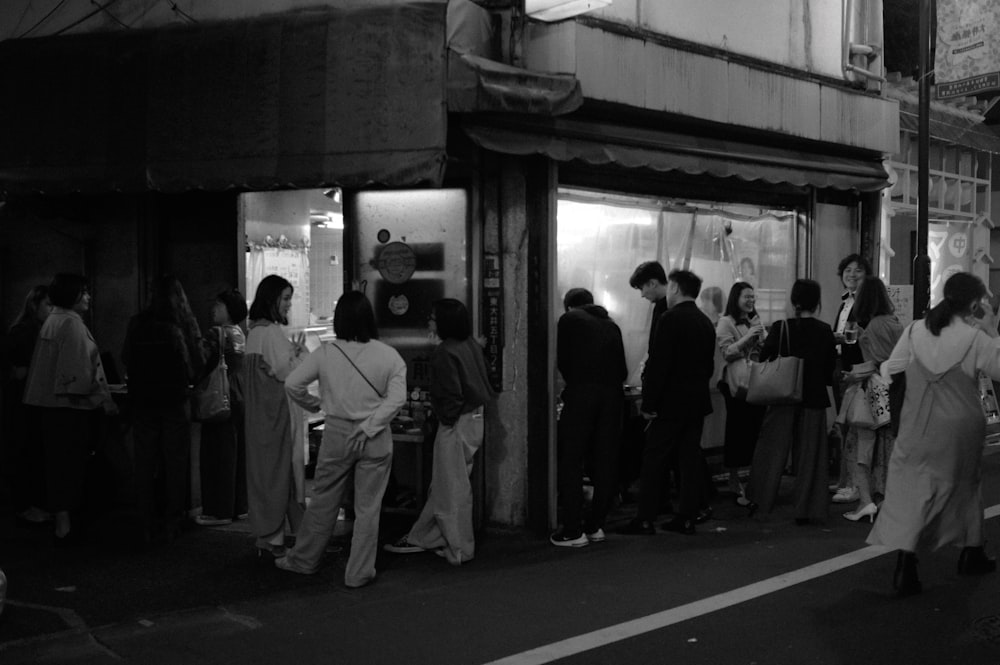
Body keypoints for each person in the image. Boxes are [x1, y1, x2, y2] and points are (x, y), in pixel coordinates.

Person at [867, 272, 1000, 597]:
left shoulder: (915, 330)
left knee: (911, 493)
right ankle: (971, 552)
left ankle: (905, 567)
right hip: (960, 428)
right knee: (967, 487)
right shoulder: (974, 338)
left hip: (916, 425)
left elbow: (892, 368)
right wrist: (993, 331)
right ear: (973, 303)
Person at [277, 291, 406, 587]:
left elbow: (293, 384)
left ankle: (303, 561)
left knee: (323, 499)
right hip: (374, 438)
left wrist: (314, 406)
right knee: (368, 508)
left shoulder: (326, 353)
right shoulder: (389, 356)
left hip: (337, 433)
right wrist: (371, 425)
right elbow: (396, 399)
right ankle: (358, 573)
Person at [384, 298, 495, 564]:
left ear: (444, 321)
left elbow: (450, 397)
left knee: (451, 490)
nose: (429, 321)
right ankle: (425, 536)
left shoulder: (446, 352)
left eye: (433, 317)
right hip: (474, 418)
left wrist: (443, 419)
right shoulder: (470, 345)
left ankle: (458, 548)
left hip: (455, 423)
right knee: (448, 485)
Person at [619, 269, 716, 535]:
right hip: (696, 403)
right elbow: (708, 367)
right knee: (688, 458)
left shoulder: (670, 319)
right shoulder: (705, 322)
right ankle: (686, 516)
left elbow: (659, 365)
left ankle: (645, 518)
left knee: (654, 458)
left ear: (674, 288)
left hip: (670, 404)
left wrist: (649, 404)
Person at [23, 274, 117, 544]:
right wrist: (102, 400)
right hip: (70, 407)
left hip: (49, 406)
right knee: (70, 465)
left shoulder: (53, 320)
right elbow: (78, 374)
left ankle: (62, 519)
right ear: (72, 295)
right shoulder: (71, 325)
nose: (88, 297)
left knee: (57, 464)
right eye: (84, 293)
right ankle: (68, 523)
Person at [745, 279, 836, 524]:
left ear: (794, 301)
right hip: (813, 398)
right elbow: (829, 372)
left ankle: (760, 499)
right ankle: (808, 508)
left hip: (782, 397)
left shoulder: (780, 327)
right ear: (817, 302)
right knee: (811, 456)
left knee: (771, 450)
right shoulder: (824, 330)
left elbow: (765, 359)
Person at [122, 275, 205, 544]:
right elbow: (197, 362)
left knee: (145, 463)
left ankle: (145, 521)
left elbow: (126, 357)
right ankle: (172, 519)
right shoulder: (182, 324)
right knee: (175, 462)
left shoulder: (137, 323)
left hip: (143, 400)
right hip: (175, 400)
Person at [546, 288, 627, 547]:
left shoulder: (570, 320)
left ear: (569, 306)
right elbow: (623, 369)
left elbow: (563, 362)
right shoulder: (611, 325)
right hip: (613, 400)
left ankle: (572, 530)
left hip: (582, 398)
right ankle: (595, 526)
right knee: (604, 462)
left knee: (571, 460)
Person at [245, 275, 308, 557]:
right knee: (282, 476)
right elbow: (289, 373)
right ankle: (276, 540)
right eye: (285, 298)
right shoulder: (270, 333)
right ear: (271, 300)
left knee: (265, 476)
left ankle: (269, 538)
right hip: (279, 417)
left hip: (259, 418)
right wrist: (301, 354)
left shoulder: (253, 333)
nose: (288, 305)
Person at [840, 276, 902, 523]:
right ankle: (884, 499)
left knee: (861, 447)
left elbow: (874, 361)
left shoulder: (872, 327)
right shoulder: (894, 323)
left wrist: (854, 373)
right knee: (887, 449)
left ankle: (866, 501)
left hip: (871, 392)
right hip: (894, 392)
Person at [195, 289, 249, 527]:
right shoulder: (240, 334)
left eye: (219, 305)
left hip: (220, 396)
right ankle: (239, 506)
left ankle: (219, 510)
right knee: (236, 453)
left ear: (229, 310)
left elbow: (198, 363)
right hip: (240, 395)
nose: (213, 308)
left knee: (217, 454)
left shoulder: (215, 334)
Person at [3, 285, 52, 525]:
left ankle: (29, 503)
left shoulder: (29, 330)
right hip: (23, 402)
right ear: (35, 306)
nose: (51, 310)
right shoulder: (28, 332)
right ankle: (26, 505)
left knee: (29, 452)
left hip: (25, 400)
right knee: (27, 451)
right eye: (48, 305)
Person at [716, 281, 767, 505]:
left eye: (753, 298)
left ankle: (754, 479)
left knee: (755, 430)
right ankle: (734, 479)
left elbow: (764, 349)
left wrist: (762, 336)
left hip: (756, 382)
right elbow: (727, 352)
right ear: (735, 298)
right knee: (737, 431)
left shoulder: (754, 321)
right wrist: (749, 337)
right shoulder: (725, 322)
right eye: (747, 297)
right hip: (735, 385)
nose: (751, 301)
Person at [831, 254, 871, 505]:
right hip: (843, 368)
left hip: (859, 370)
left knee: (857, 428)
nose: (852, 274)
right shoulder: (845, 302)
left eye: (858, 271)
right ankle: (846, 480)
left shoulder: (866, 304)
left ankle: (858, 485)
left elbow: (864, 337)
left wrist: (845, 338)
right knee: (845, 425)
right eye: (847, 270)